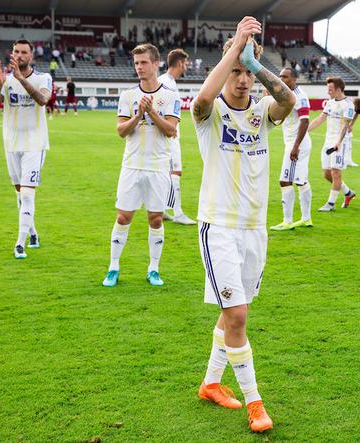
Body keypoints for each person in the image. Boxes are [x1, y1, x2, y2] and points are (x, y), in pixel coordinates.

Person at [190, 16, 295, 433]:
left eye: (245, 72)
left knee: (232, 313)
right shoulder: (209, 113)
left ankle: (211, 384)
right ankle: (256, 404)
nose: (241, 80)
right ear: (224, 68)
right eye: (235, 71)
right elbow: (201, 98)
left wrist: (254, 63)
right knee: (237, 315)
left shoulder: (260, 112)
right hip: (219, 227)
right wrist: (235, 48)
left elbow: (286, 101)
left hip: (255, 229)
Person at [101, 44, 180, 288]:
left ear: (156, 64)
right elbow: (121, 131)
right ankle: (113, 267)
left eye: (144, 63)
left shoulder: (170, 96)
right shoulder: (127, 96)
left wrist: (152, 112)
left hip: (157, 166)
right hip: (132, 165)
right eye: (136, 63)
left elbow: (171, 130)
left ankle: (153, 269)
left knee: (155, 219)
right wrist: (138, 115)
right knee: (123, 216)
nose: (139, 68)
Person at [0, 39, 52, 259]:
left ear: (31, 56)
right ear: (12, 54)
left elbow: (43, 100)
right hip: (11, 143)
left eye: (24, 52)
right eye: (16, 51)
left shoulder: (43, 78)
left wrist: (22, 80)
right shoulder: (5, 80)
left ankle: (20, 243)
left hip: (35, 143)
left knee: (28, 193)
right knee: (19, 192)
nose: (20, 55)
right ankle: (32, 233)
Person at [269, 67, 313, 231]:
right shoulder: (287, 95)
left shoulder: (300, 97)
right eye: (280, 76)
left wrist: (295, 147)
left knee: (285, 180)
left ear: (294, 79)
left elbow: (305, 122)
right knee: (301, 180)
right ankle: (306, 219)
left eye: (285, 76)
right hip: (295, 143)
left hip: (297, 144)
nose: (281, 78)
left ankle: (287, 221)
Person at [157, 48, 196, 225]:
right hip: (169, 136)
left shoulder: (164, 81)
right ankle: (178, 213)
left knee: (166, 173)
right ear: (180, 63)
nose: (186, 67)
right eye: (185, 63)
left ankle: (162, 209)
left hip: (165, 135)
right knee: (175, 172)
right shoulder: (167, 83)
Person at [308, 77, 357, 212]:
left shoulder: (348, 105)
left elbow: (345, 125)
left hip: (340, 142)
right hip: (328, 141)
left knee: (336, 173)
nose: (328, 92)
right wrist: (305, 131)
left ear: (339, 89)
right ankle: (348, 193)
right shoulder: (329, 103)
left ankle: (331, 203)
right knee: (326, 174)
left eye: (330, 89)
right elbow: (320, 119)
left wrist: (339, 142)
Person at [343, 98, 360, 167]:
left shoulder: (359, 106)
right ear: (354, 104)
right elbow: (344, 119)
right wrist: (348, 126)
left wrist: (351, 125)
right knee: (344, 143)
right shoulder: (348, 105)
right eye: (356, 107)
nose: (356, 109)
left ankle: (349, 161)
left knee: (349, 142)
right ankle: (343, 162)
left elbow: (356, 115)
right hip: (341, 124)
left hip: (348, 124)